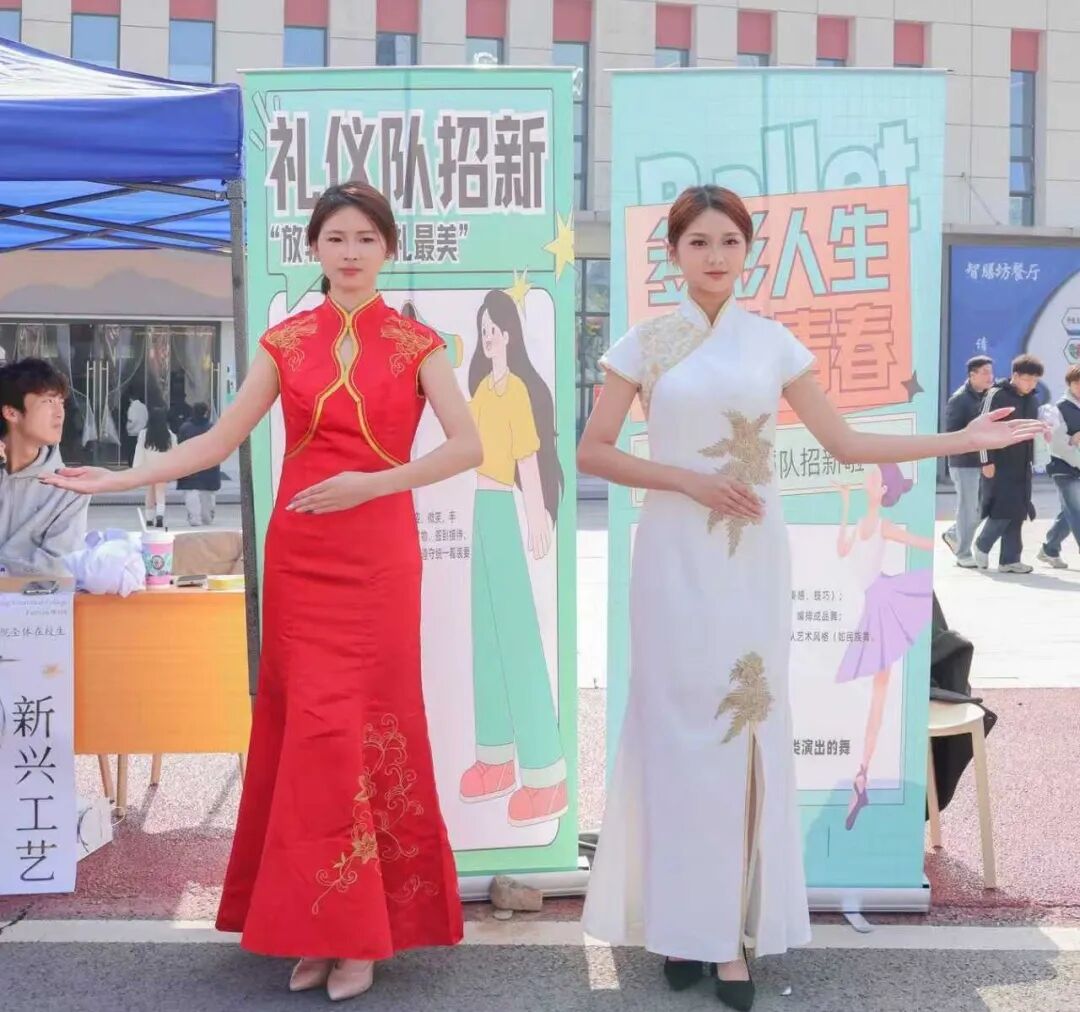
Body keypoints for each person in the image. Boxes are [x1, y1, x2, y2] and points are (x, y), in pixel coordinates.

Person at [575, 185, 1044, 1011]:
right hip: (673, 559)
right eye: (698, 242)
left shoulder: (772, 344)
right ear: (672, 253)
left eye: (729, 242)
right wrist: (687, 480)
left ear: (747, 251)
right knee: (676, 739)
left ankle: (729, 939)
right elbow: (594, 452)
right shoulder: (644, 344)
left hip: (752, 561)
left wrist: (962, 438)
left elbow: (847, 442)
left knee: (741, 737)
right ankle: (680, 927)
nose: (715, 256)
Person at [42, 182, 482, 1001]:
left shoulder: (418, 344)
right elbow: (217, 440)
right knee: (308, 738)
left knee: (364, 732)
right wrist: (121, 478)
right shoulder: (285, 342)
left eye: (366, 239)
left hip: (379, 561)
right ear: (313, 248)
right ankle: (318, 926)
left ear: (389, 250)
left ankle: (359, 936)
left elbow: (467, 447)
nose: (350, 253)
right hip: (302, 560)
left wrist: (373, 483)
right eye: (335, 238)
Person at [458, 289, 567, 827]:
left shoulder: (517, 390)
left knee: (517, 636)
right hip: (481, 507)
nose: (488, 338)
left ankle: (546, 775)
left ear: (509, 334)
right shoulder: (482, 389)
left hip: (505, 507)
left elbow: (527, 455)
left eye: (494, 329)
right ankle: (496, 758)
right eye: (483, 331)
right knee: (486, 636)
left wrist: (537, 512)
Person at [834, 465, 934, 831]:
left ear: (882, 491)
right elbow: (842, 550)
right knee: (872, 692)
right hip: (867, 606)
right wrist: (845, 505)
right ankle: (862, 776)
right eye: (870, 476)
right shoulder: (862, 522)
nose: (869, 479)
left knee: (877, 692)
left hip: (881, 603)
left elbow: (923, 543)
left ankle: (863, 772)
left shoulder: (884, 526)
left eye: (875, 479)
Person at [0, 358, 90, 577]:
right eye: (48, 401)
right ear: (11, 413)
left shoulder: (70, 489)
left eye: (61, 402)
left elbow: (58, 567)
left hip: (33, 599)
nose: (60, 413)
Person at [973, 354, 1044, 574]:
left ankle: (1010, 560)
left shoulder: (1032, 400)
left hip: (1023, 463)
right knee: (1003, 509)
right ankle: (982, 545)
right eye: (1027, 379)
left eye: (1035, 380)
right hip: (999, 462)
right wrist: (986, 460)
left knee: (1019, 510)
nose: (1031, 384)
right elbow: (981, 428)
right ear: (1015, 375)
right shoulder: (996, 394)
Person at [942, 355, 994, 566]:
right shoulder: (960, 399)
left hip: (984, 461)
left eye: (991, 372)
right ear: (972, 375)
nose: (990, 376)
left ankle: (955, 534)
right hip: (964, 463)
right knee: (968, 508)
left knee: (984, 506)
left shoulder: (988, 395)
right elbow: (952, 434)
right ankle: (962, 554)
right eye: (985, 372)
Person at [1037, 363, 1080, 568]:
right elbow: (1058, 445)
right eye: (1076, 383)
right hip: (1063, 468)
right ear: (1069, 384)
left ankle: (1050, 548)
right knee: (1076, 510)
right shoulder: (1059, 409)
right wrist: (1073, 440)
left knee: (1069, 512)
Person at [133, 407, 177, 529]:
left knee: (150, 493)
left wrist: (137, 468)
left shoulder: (144, 434)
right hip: (163, 469)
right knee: (160, 493)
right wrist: (174, 471)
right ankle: (159, 515)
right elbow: (175, 454)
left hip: (149, 468)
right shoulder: (170, 435)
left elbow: (139, 452)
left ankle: (149, 518)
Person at [177, 402, 221, 526]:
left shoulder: (185, 428)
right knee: (208, 492)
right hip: (209, 463)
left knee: (191, 491)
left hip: (190, 463)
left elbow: (180, 446)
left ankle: (194, 517)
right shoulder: (212, 428)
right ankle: (207, 516)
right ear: (206, 412)